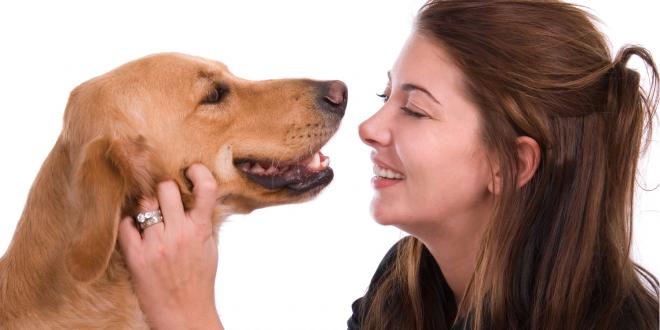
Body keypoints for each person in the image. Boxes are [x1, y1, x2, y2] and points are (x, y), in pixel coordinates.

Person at [117, 0, 660, 329]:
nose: (369, 128)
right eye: (386, 94)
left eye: (416, 109)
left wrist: (188, 317)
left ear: (511, 164)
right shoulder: (405, 287)